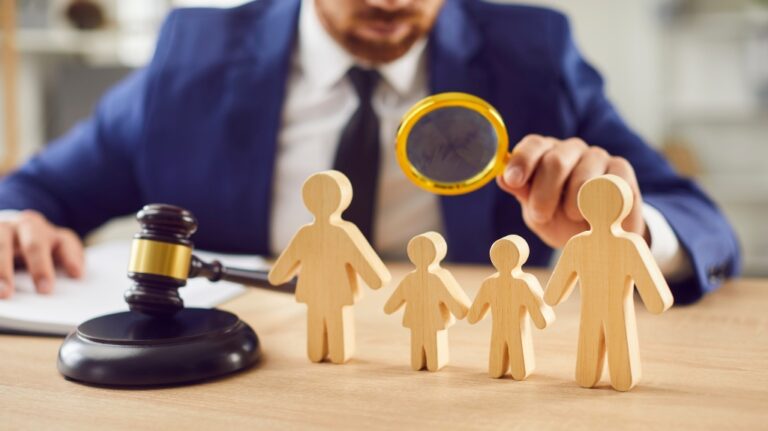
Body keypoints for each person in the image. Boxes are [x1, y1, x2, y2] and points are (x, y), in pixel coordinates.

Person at [0, 0, 740, 304]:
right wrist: (16, 223)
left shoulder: (532, 54)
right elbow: (34, 192)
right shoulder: (191, 56)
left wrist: (627, 231)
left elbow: (700, 223)